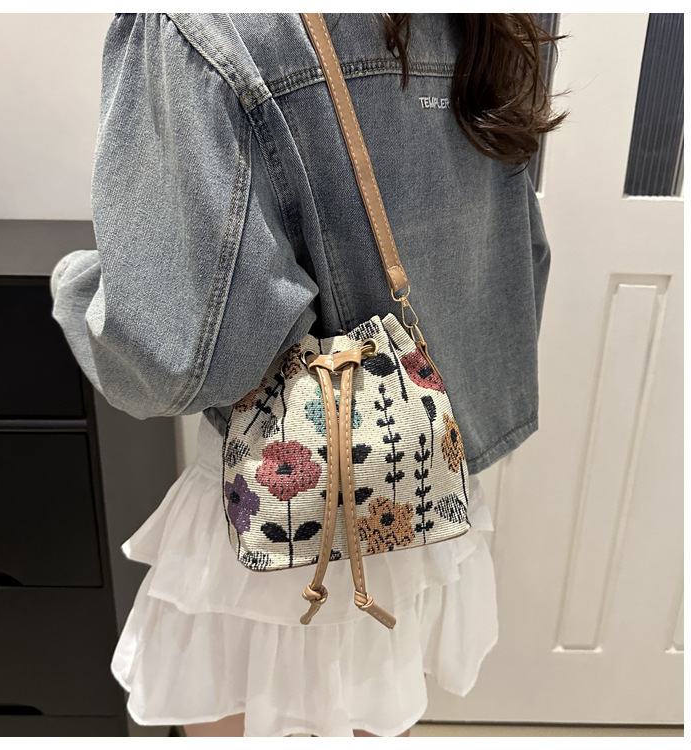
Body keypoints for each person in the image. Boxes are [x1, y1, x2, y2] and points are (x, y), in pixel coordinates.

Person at [50, 12, 567, 738]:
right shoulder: (486, 21)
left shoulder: (206, 26)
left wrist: (74, 287)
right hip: (421, 478)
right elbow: (520, 259)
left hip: (292, 509)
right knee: (372, 712)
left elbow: (173, 356)